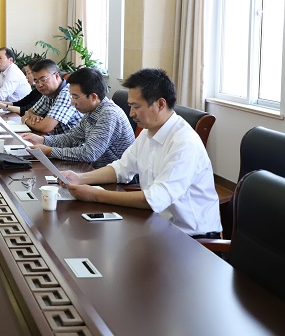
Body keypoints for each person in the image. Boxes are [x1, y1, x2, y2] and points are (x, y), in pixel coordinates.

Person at [61, 68, 222, 238]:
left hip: (190, 238)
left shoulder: (184, 143)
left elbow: (154, 199)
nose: (131, 113)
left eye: (136, 106)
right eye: (130, 106)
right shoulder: (148, 132)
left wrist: (95, 195)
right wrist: (79, 178)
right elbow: (120, 169)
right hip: (157, 224)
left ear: (160, 104)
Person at [22, 68, 134, 168]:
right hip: (94, 170)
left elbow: (89, 153)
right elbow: (72, 138)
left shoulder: (108, 114)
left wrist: (49, 151)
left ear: (93, 97)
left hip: (115, 179)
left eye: (75, 97)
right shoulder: (92, 110)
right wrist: (42, 140)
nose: (72, 102)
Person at [21, 58, 81, 134]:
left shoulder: (67, 94)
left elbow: (46, 127)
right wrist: (33, 117)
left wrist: (25, 120)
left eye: (43, 80)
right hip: (57, 138)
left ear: (56, 76)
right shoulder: (49, 92)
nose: (39, 85)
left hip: (72, 140)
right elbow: (30, 112)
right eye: (36, 81)